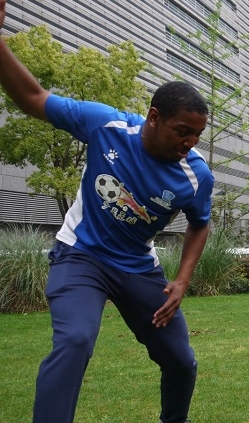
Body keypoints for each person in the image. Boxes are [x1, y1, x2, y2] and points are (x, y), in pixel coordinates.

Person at [0, 4, 213, 422]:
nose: (190, 142)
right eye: (182, 131)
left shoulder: (195, 177)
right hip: (80, 255)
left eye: (197, 135)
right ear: (154, 117)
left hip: (137, 268)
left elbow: (199, 225)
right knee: (76, 339)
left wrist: (182, 279)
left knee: (181, 361)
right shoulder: (106, 126)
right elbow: (32, 97)